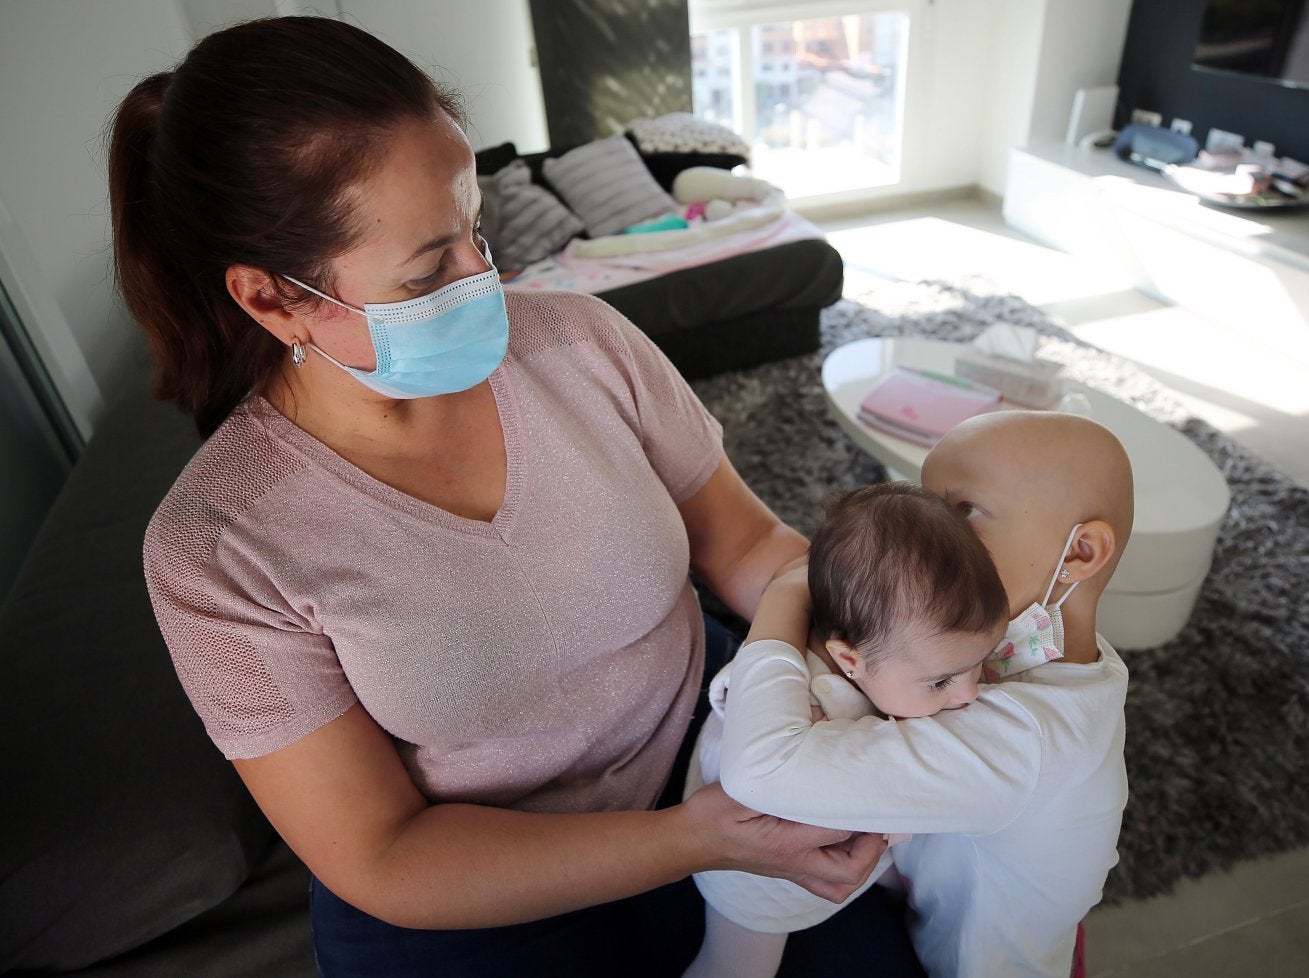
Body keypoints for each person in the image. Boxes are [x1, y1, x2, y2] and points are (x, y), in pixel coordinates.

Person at [110, 16, 922, 977]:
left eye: (476, 231)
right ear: (270, 299)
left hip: (713, 757)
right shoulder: (219, 546)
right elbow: (382, 854)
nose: (485, 281)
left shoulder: (583, 344)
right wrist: (701, 841)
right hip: (475, 894)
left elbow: (748, 550)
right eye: (428, 269)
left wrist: (887, 648)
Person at [693, 410, 1133, 978]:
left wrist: (785, 595)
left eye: (961, 512)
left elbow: (761, 770)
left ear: (1078, 555)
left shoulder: (1022, 743)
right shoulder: (1064, 659)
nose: (919, 536)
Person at [682, 481, 1008, 978]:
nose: (968, 694)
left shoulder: (873, 658)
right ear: (848, 660)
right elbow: (896, 804)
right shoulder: (815, 713)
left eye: (976, 665)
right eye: (941, 681)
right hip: (753, 872)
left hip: (837, 850)